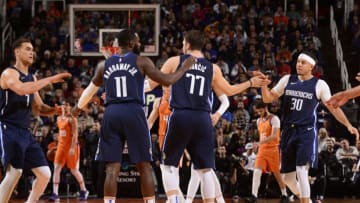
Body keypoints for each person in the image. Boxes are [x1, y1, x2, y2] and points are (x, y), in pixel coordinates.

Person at [71, 29, 196, 203]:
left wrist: (77, 109)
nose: (140, 44)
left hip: (112, 113)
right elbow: (167, 80)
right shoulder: (141, 61)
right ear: (131, 43)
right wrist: (185, 67)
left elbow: (88, 92)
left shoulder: (102, 65)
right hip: (134, 112)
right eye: (137, 41)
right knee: (144, 165)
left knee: (112, 168)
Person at [158, 30, 269, 203]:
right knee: (205, 169)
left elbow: (152, 82)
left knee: (168, 166)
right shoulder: (213, 68)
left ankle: (175, 201)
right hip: (203, 119)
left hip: (181, 115)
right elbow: (230, 91)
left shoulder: (175, 61)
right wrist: (250, 83)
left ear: (186, 44)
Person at [261, 52, 359, 203]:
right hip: (288, 132)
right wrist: (263, 85)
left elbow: (333, 107)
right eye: (298, 62)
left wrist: (348, 125)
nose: (298, 64)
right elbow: (268, 98)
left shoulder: (319, 85)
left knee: (302, 169)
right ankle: (306, 199)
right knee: (287, 178)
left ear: (311, 66)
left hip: (306, 133)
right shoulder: (287, 80)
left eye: (303, 62)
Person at [0, 37, 71, 203]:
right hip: (7, 128)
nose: (31, 52)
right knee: (14, 173)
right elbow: (21, 89)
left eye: (32, 49)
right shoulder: (8, 73)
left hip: (25, 132)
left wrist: (56, 110)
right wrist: (50, 79)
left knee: (45, 174)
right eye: (27, 49)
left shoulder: (31, 78)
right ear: (17, 52)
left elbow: (39, 108)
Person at [245, 101, 288, 203]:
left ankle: (285, 194)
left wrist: (259, 143)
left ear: (265, 108)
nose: (259, 113)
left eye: (260, 111)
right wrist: (257, 145)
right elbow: (262, 135)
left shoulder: (274, 119)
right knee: (257, 172)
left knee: (277, 174)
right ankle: (254, 196)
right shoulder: (258, 120)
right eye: (257, 111)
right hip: (263, 150)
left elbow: (274, 136)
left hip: (274, 149)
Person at [48, 102, 88, 201]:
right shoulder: (58, 119)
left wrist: (72, 147)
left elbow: (75, 135)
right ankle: (55, 193)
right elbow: (62, 133)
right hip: (61, 146)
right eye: (63, 105)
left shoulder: (72, 119)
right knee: (57, 168)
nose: (65, 107)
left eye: (67, 105)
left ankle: (84, 190)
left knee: (74, 170)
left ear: (69, 107)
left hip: (72, 146)